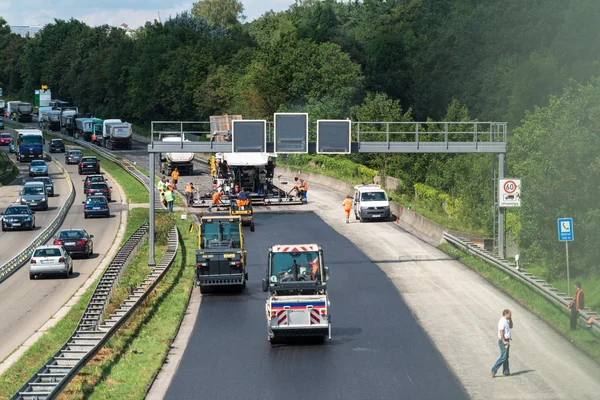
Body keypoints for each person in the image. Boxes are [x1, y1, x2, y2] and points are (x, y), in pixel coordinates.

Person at [491, 309, 513, 378]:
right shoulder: (502, 321)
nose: (511, 315)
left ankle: (506, 372)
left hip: (507, 340)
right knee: (503, 356)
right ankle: (494, 370)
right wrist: (503, 341)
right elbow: (501, 332)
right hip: (503, 340)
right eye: (510, 314)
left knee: (506, 357)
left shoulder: (507, 321)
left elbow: (511, 326)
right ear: (506, 314)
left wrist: (511, 319)